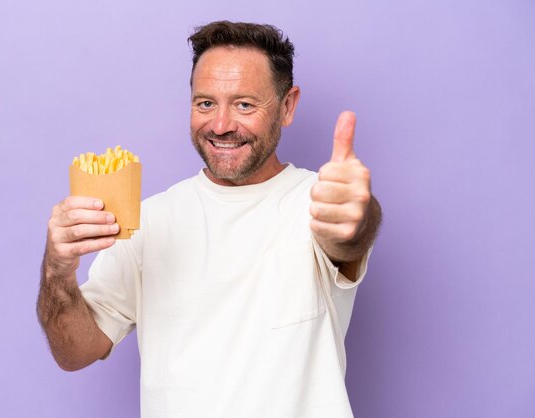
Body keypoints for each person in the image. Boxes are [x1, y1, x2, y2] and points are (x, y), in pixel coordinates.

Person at [37, 20, 381, 418]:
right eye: (205, 103)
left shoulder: (316, 201)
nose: (220, 125)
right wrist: (57, 271)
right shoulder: (149, 220)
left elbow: (348, 236)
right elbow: (75, 352)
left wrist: (355, 216)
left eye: (244, 104)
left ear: (287, 106)